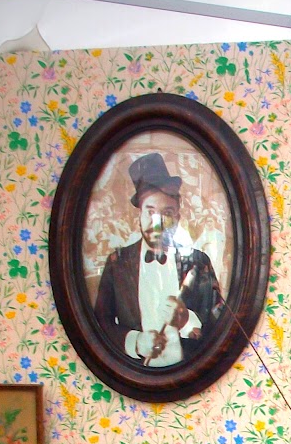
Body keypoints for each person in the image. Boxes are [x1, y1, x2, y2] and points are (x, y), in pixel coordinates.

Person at [92, 153, 224, 368]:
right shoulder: (118, 262)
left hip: (191, 375)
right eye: (150, 212)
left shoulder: (198, 262)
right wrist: (135, 342)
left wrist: (186, 321)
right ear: (139, 215)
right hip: (132, 376)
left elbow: (221, 325)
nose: (157, 224)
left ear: (178, 217)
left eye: (167, 213)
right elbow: (100, 324)